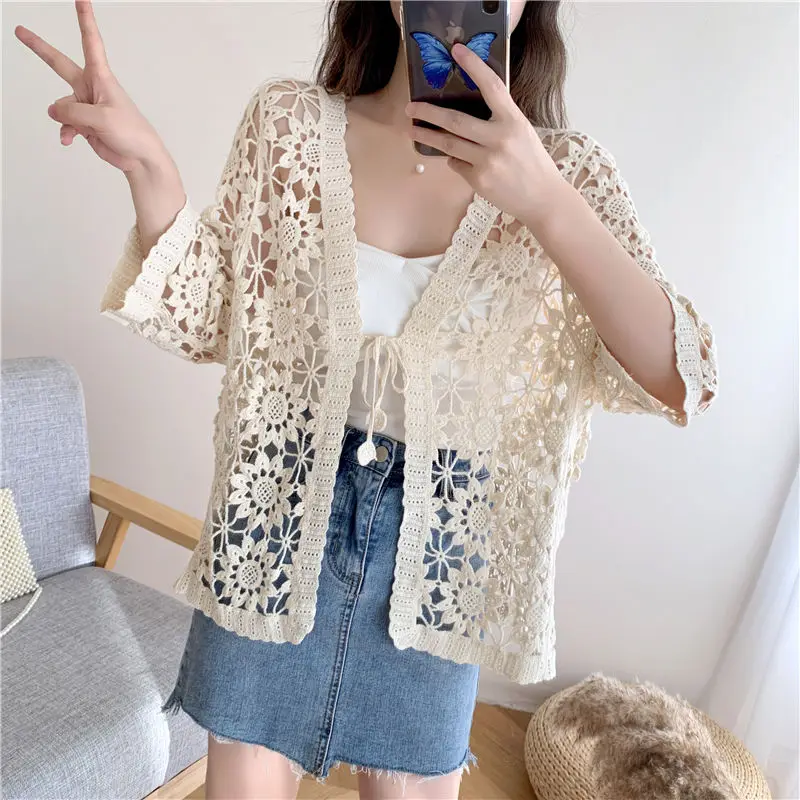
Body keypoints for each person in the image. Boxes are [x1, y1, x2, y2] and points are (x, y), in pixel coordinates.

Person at [16, 1, 717, 798]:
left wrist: (548, 204)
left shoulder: (570, 174)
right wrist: (150, 170)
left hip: (444, 541)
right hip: (275, 510)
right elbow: (217, 317)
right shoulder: (288, 126)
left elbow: (678, 376)